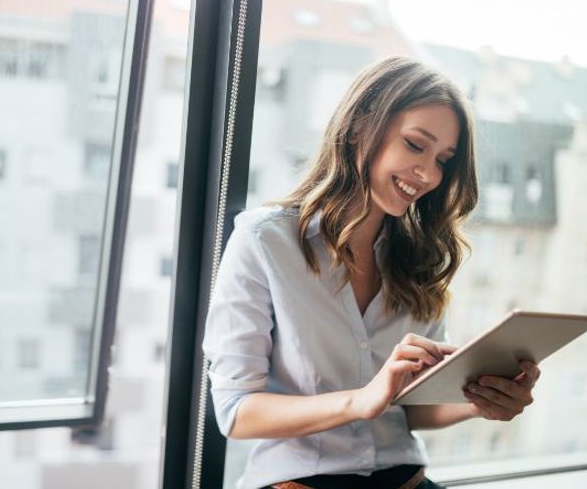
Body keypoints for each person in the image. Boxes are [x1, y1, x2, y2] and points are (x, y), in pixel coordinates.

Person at [202, 56, 541, 489]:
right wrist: (359, 402)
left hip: (409, 481)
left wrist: (480, 402)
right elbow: (237, 411)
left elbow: (412, 408)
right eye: (416, 145)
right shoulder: (264, 242)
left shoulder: (419, 259)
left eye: (443, 159)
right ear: (361, 126)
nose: (429, 174)